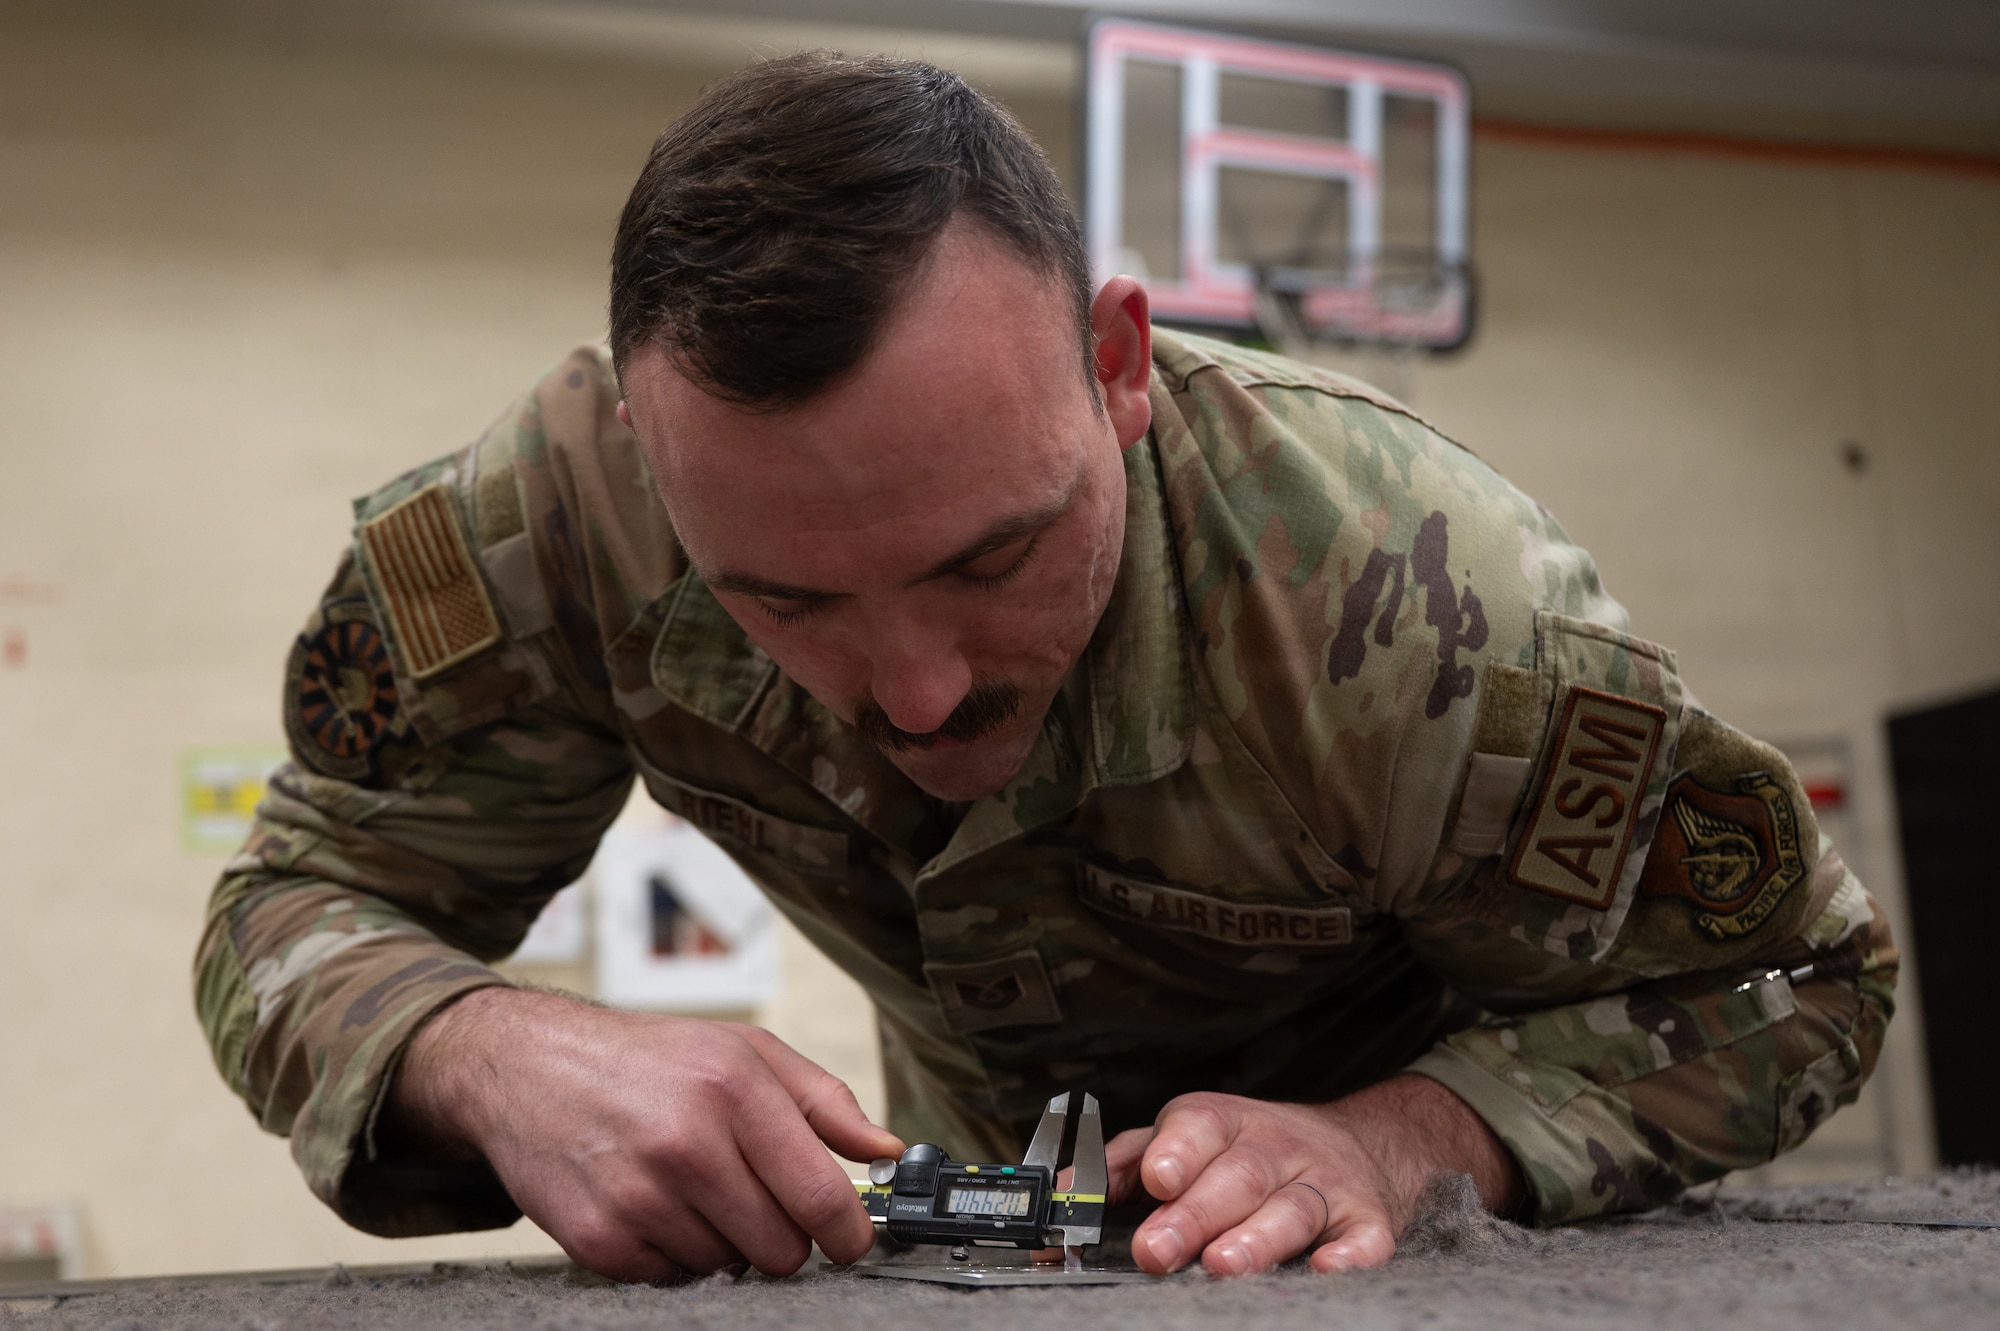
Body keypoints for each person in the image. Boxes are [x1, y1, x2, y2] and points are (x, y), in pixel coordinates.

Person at [196, 52, 1897, 1283]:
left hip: (1416, 1261)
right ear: (649, 457)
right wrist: (487, 1049)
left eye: (991, 558)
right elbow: (290, 894)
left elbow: (1797, 978)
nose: (919, 691)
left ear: (1119, 364)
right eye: (785, 601)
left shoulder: (1422, 610)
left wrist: (1406, 1139)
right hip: (984, 1246)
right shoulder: (555, 522)